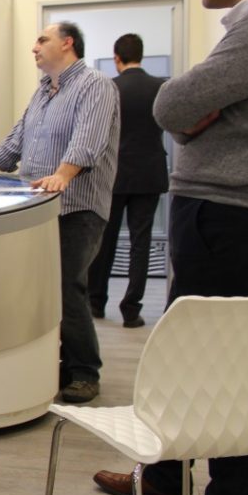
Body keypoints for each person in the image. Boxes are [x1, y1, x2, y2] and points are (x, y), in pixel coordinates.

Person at [92, 0, 248, 495]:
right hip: (210, 208)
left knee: (227, 364)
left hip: (235, 215)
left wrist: (189, 115)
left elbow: (171, 105)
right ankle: (167, 471)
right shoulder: (241, 30)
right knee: (190, 352)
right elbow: (181, 110)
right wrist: (191, 115)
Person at [0, 22, 119, 404]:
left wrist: (62, 175)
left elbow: (89, 140)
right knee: (39, 289)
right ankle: (53, 363)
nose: (33, 47)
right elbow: (15, 143)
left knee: (67, 286)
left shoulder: (95, 86)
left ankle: (85, 372)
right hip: (36, 211)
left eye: (42, 40)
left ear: (67, 43)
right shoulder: (41, 93)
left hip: (78, 207)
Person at [87, 34, 168, 329]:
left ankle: (96, 302)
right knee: (140, 242)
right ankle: (131, 310)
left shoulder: (109, 88)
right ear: (141, 56)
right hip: (149, 174)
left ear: (116, 58)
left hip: (115, 175)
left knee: (104, 240)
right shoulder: (161, 87)